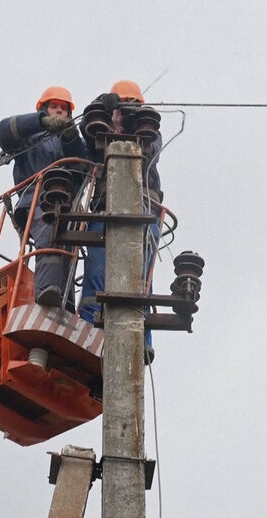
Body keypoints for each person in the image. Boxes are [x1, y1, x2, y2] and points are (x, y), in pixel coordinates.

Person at [77, 80, 163, 363]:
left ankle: (143, 338)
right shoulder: (100, 136)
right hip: (105, 208)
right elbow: (86, 131)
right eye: (123, 105)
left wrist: (128, 121)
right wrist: (104, 104)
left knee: (140, 277)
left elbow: (149, 148)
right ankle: (90, 329)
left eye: (131, 105)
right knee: (96, 272)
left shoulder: (148, 133)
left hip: (144, 207)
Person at [0, 86, 86, 307]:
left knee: (68, 247)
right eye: (54, 107)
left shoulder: (73, 142)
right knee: (48, 229)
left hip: (67, 205)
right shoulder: (29, 138)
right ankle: (47, 291)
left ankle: (66, 300)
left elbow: (84, 165)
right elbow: (3, 130)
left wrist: (71, 136)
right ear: (44, 109)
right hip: (35, 200)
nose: (59, 111)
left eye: (63, 109)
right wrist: (40, 122)